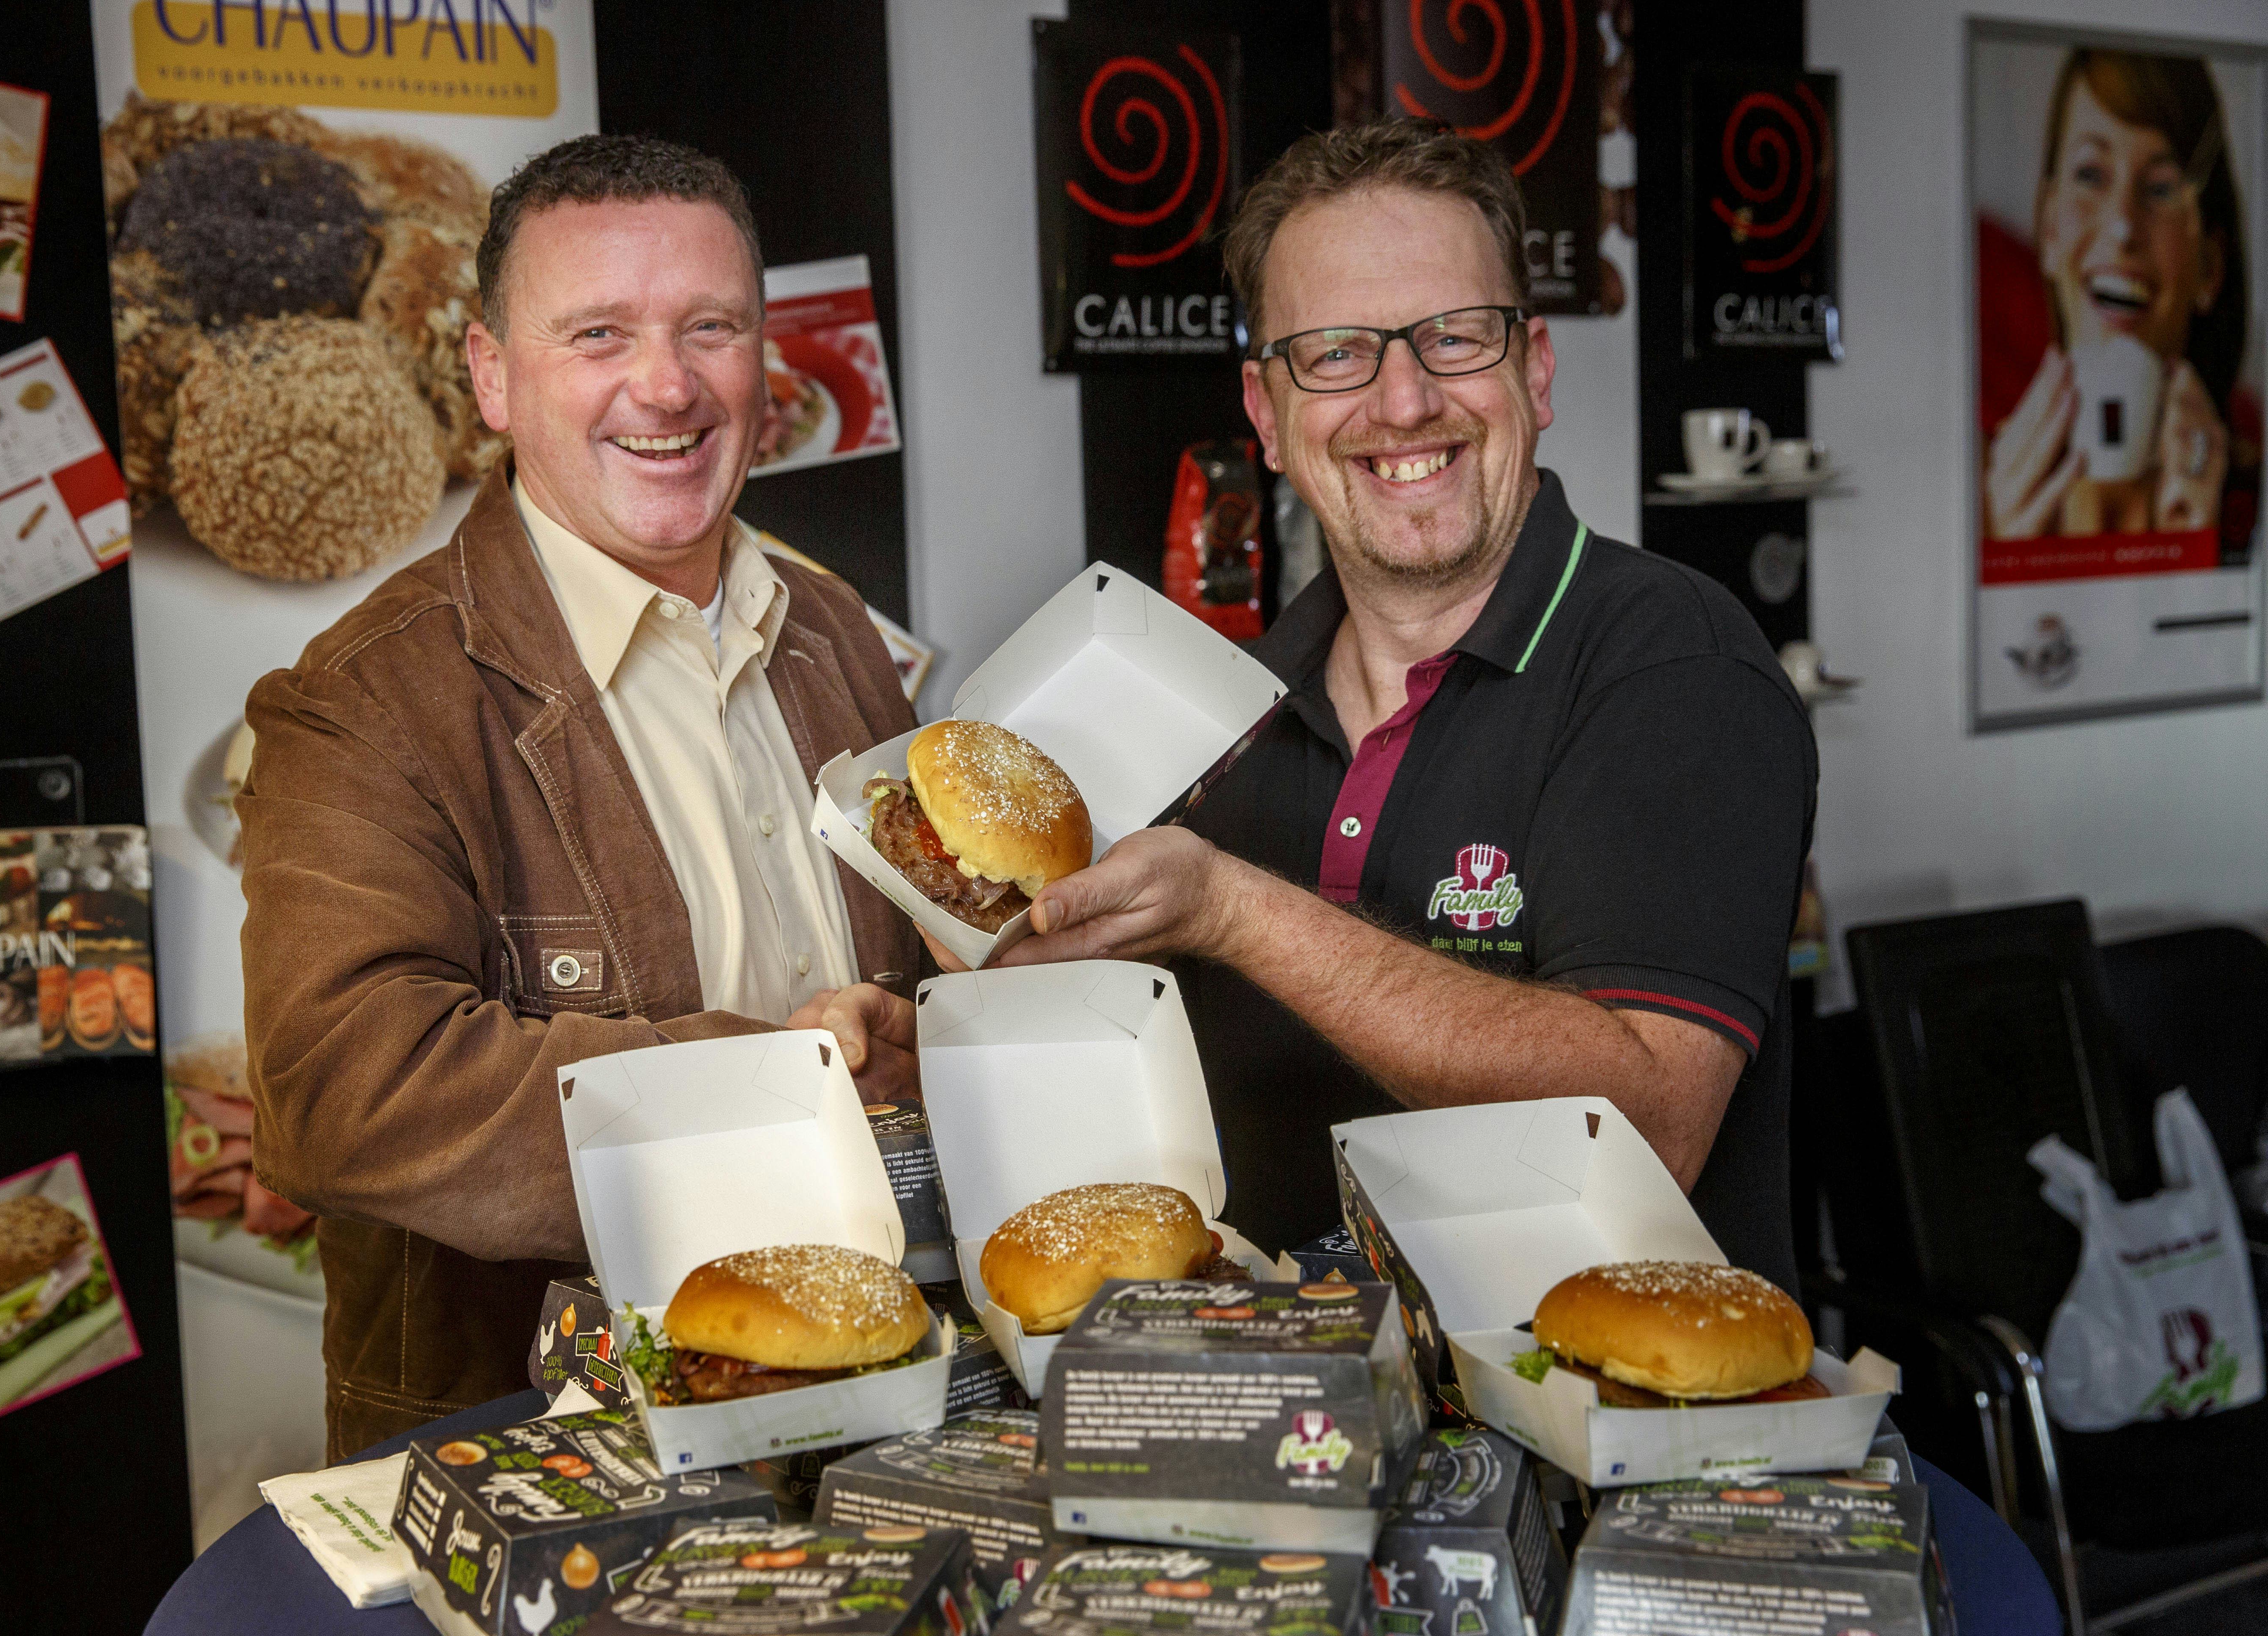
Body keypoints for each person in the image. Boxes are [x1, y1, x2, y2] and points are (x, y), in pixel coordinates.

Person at [982, 121, 1817, 1289]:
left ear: (1534, 370)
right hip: (1272, 1385)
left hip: (1599, 1398)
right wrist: (962, 1013)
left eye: (1454, 337)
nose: (1404, 399)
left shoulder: (1676, 669)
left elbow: (1645, 1127)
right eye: (1335, 354)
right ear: (1267, 414)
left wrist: (1231, 909)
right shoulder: (1214, 718)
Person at [236, 135, 921, 1457]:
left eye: (711, 327)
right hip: (551, 1456)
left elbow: (911, 992)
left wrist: (924, 1040)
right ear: (492, 375)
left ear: (763, 356)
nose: (665, 384)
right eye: (598, 333)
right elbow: (342, 1092)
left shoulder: (834, 627)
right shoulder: (367, 696)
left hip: (879, 1399)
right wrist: (780, 1089)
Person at [1983, 49, 2256, 555]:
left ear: (2210, 266)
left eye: (2161, 189)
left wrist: (2201, 556)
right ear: (2048, 229)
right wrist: (2007, 558)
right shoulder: (1973, 488)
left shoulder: (2252, 509)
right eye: (2091, 175)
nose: (2123, 226)